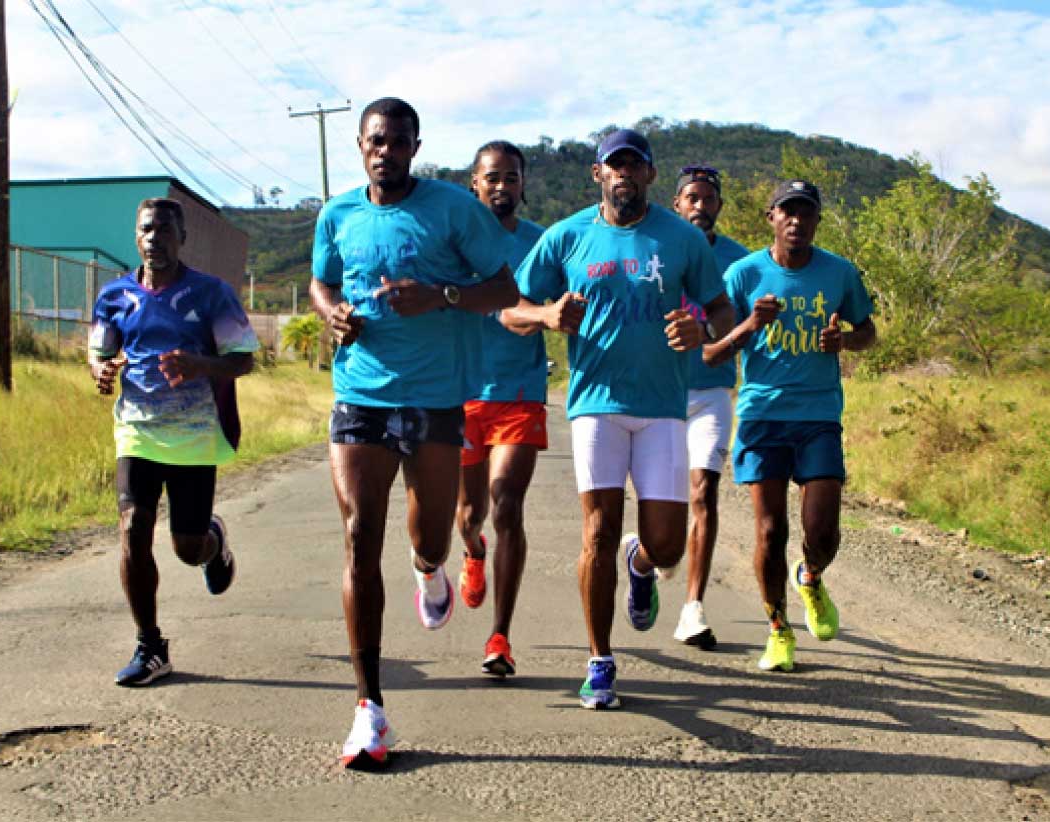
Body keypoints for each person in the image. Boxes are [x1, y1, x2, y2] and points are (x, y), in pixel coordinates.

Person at [309, 97, 519, 768]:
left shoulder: (455, 211)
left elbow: (503, 288)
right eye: (376, 140)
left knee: (430, 537)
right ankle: (369, 710)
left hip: (434, 400)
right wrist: (332, 312)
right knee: (356, 536)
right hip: (360, 396)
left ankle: (429, 571)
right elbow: (320, 281)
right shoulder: (337, 213)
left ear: (415, 146)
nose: (387, 151)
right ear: (360, 144)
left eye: (399, 142)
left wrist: (441, 296)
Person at [512, 129, 733, 709]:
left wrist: (703, 331)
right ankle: (600, 661)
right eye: (615, 166)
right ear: (598, 175)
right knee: (596, 533)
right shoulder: (566, 238)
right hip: (595, 407)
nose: (625, 175)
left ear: (650, 177)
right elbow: (510, 308)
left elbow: (721, 308)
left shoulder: (682, 238)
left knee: (666, 549)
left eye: (635, 166)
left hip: (663, 408)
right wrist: (546, 314)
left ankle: (641, 563)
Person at [703, 179, 876, 672]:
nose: (797, 220)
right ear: (771, 217)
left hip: (819, 415)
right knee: (769, 530)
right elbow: (713, 353)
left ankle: (812, 576)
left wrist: (845, 341)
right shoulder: (742, 274)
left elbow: (869, 333)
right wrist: (750, 326)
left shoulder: (840, 273)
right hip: (762, 416)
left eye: (806, 213)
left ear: (817, 221)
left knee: (822, 530)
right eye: (788, 211)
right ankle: (778, 628)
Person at [88, 197, 258, 688]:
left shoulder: (211, 294)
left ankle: (213, 542)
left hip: (193, 438)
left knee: (187, 547)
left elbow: (243, 360)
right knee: (133, 527)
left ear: (181, 239)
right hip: (137, 431)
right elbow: (99, 351)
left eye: (164, 231)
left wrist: (198, 365)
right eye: (145, 230)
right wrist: (100, 369)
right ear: (135, 236)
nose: (153, 239)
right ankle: (150, 647)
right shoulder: (115, 295)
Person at [453, 141, 547, 678]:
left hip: (520, 391)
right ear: (475, 183)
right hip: (462, 390)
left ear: (522, 183)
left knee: (506, 501)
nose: (502, 186)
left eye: (511, 177)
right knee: (468, 515)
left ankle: (500, 637)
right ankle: (471, 550)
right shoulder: (456, 241)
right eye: (492, 178)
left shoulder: (540, 243)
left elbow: (560, 301)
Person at [667, 164, 749, 650]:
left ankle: (692, 607)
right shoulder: (659, 248)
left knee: (704, 493)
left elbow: (743, 327)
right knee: (666, 508)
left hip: (713, 392)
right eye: (691, 198)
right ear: (677, 204)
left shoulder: (738, 262)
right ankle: (649, 553)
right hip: (660, 395)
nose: (699, 206)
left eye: (708, 199)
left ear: (718, 206)